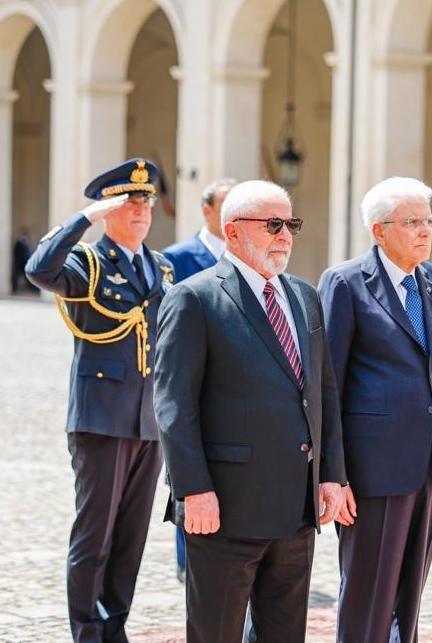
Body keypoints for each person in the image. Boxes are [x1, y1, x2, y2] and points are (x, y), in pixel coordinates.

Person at [154, 180, 347, 643]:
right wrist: (193, 490)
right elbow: (174, 404)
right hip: (225, 509)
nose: (285, 235)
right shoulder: (194, 297)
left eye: (291, 224)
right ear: (233, 231)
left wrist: (330, 475)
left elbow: (323, 394)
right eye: (274, 224)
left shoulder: (303, 295)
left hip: (295, 510)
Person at [25, 158, 175, 643]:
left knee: (130, 540)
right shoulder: (88, 263)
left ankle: (115, 629)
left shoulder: (162, 268)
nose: (140, 210)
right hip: (101, 419)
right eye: (129, 202)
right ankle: (87, 632)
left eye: (145, 200)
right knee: (95, 537)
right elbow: (38, 268)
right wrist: (84, 219)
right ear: (108, 209)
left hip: (149, 422)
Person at [317, 176, 432, 643]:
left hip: (428, 464)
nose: (425, 231)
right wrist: (333, 474)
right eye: (412, 222)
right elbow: (328, 385)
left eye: (428, 220)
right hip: (372, 469)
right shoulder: (344, 283)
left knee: (409, 598)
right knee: (368, 597)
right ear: (379, 231)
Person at [160, 176, 237, 582]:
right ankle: (186, 562)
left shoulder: (252, 258)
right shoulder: (176, 258)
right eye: (225, 206)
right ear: (207, 211)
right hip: (194, 380)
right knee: (189, 472)